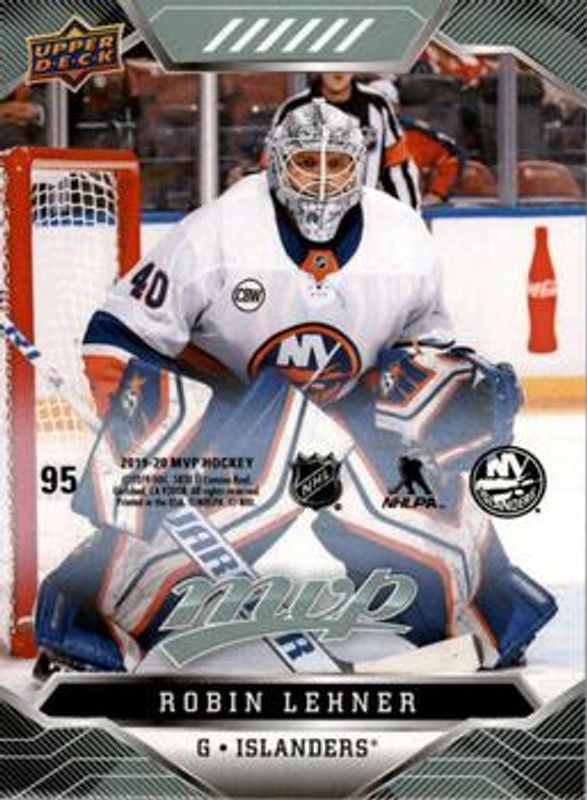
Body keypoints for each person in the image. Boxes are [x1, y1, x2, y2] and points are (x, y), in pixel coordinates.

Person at [33, 99, 556, 676]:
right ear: (276, 163)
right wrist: (143, 452)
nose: (323, 180)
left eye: (338, 164)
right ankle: (92, 617)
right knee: (167, 540)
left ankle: (476, 610)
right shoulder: (219, 231)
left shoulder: (404, 237)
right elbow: (118, 335)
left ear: (360, 167)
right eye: (308, 162)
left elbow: (428, 354)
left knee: (427, 485)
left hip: (348, 424)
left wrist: (457, 394)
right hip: (233, 431)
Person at [266, 73, 421, 210]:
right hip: (305, 222)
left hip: (367, 221)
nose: (338, 69)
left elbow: (398, 169)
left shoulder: (377, 106)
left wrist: (409, 220)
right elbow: (272, 172)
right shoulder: (292, 110)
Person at [370, 77, 466, 205]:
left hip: (405, 209)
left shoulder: (417, 135)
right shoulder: (349, 133)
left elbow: (453, 155)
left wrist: (437, 193)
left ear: (396, 108)